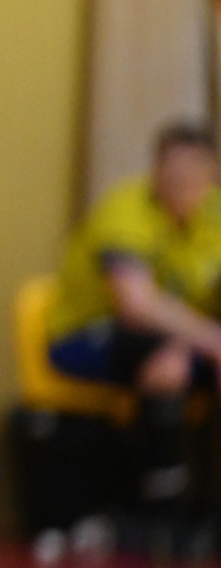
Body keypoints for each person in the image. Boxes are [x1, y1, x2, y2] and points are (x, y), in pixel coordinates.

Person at [45, 121, 221, 521]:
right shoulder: (125, 209)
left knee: (177, 357)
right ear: (156, 169)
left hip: (177, 336)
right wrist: (208, 338)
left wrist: (191, 342)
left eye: (196, 171)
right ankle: (160, 514)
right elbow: (136, 306)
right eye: (174, 171)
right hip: (89, 335)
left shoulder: (214, 215)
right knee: (166, 367)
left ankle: (208, 514)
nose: (184, 181)